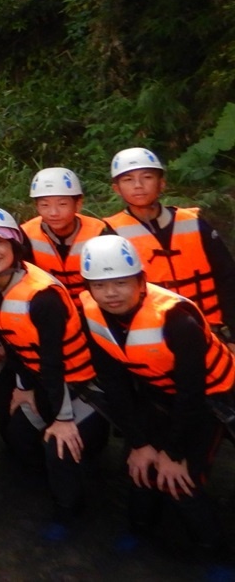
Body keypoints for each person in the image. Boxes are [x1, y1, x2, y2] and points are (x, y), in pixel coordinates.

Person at [79, 235, 235, 560]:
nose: (110, 293)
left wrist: (173, 453)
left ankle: (215, 551)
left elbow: (192, 394)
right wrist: (141, 443)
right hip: (158, 395)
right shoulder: (93, 314)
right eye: (101, 285)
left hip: (211, 399)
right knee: (139, 468)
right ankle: (140, 529)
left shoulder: (178, 319)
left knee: (180, 481)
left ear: (141, 281)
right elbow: (114, 383)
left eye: (121, 283)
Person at [0, 208, 107, 530]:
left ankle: (69, 513)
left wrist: (62, 418)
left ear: (15, 244)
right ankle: (44, 495)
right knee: (19, 436)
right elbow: (16, 341)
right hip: (44, 380)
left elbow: (53, 360)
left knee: (58, 447)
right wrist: (24, 385)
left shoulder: (43, 296)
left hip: (81, 384)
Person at [104, 147, 235, 332]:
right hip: (154, 332)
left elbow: (227, 277)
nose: (138, 185)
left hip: (210, 328)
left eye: (147, 177)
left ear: (162, 183)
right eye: (128, 179)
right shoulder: (111, 233)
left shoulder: (194, 223)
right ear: (116, 189)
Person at [21, 167, 112, 304]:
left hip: (94, 307)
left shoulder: (100, 233)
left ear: (78, 204)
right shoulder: (25, 234)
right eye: (45, 205)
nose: (53, 212)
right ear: (37, 206)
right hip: (53, 309)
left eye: (62, 204)